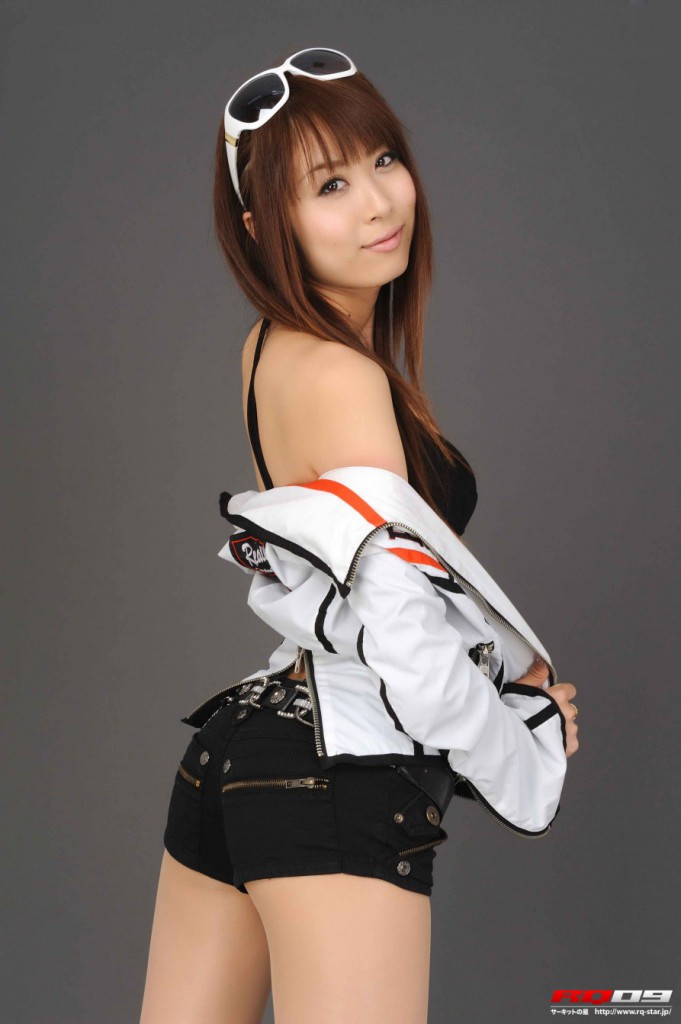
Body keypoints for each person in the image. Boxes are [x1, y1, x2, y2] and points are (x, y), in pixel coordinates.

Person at [139, 48, 579, 1024]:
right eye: (329, 185)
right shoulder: (344, 377)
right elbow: (399, 634)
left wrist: (506, 674)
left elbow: (345, 592)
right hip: (332, 779)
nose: (378, 202)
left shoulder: (271, 348)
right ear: (262, 226)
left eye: (383, 160)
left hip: (236, 751)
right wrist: (521, 745)